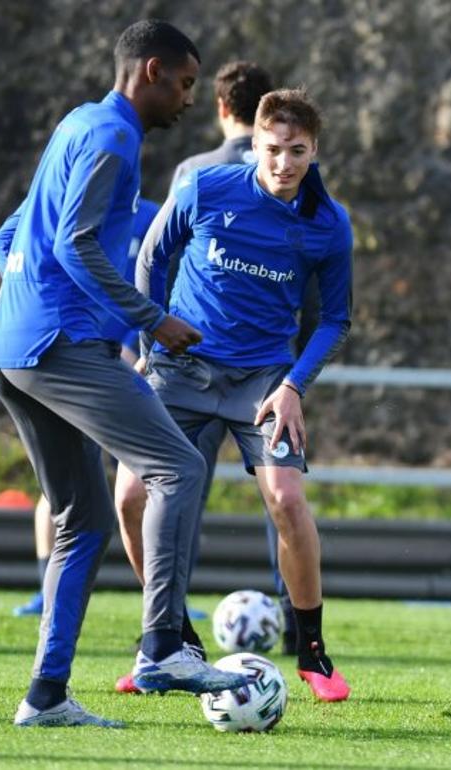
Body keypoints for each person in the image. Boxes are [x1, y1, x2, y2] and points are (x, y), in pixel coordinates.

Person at [0, 19, 247, 728]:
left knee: (83, 520)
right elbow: (72, 243)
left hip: (9, 344)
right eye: (187, 84)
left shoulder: (79, 124)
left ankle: (45, 697)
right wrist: (149, 317)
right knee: (178, 469)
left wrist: (28, 298)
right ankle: (163, 644)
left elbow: (12, 235)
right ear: (152, 71)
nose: (190, 100)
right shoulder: (113, 136)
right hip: (55, 344)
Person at [134, 87, 353, 702]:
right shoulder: (208, 188)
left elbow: (336, 319)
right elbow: (152, 256)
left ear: (315, 151)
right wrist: (153, 335)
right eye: (274, 149)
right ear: (253, 144)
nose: (284, 164)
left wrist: (292, 386)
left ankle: (311, 648)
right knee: (131, 497)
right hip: (183, 371)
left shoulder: (328, 223)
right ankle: (166, 641)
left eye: (298, 151)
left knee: (286, 500)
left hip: (263, 380)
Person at [113, 62, 304, 685]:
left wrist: (150, 338)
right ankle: (183, 638)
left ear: (222, 108)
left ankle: (171, 629)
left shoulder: (194, 171)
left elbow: (153, 257)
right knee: (273, 503)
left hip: (203, 366)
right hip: (227, 368)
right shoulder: (259, 182)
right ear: (258, 123)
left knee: (153, 497)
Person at [11, 195, 161, 618]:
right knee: (67, 476)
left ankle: (165, 594)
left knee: (157, 480)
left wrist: (136, 348)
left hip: (131, 358)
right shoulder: (63, 210)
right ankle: (47, 588)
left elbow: (160, 281)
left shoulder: (152, 217)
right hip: (74, 354)